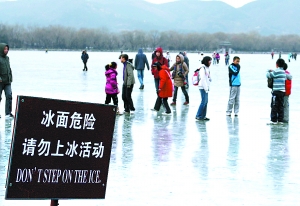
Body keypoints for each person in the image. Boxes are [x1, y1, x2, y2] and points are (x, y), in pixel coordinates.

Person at [266, 58, 286, 125]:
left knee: (274, 105)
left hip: (276, 91)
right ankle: (280, 120)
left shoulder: (276, 71)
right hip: (282, 92)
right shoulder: (283, 72)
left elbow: (268, 75)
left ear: (276, 64)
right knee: (281, 106)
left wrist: (268, 70)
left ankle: (273, 120)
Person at [195, 56, 212, 121]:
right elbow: (202, 79)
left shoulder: (207, 68)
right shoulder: (202, 68)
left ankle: (203, 115)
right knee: (203, 101)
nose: (210, 62)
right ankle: (198, 115)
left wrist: (210, 79)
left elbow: (207, 77)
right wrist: (206, 88)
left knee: (205, 102)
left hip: (206, 87)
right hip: (202, 87)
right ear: (206, 61)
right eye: (209, 61)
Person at [0, 43, 14, 118]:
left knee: (9, 96)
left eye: (7, 49)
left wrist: (10, 77)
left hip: (7, 81)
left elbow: (9, 68)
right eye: (5, 49)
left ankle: (8, 113)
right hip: (0, 82)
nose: (6, 50)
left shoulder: (7, 58)